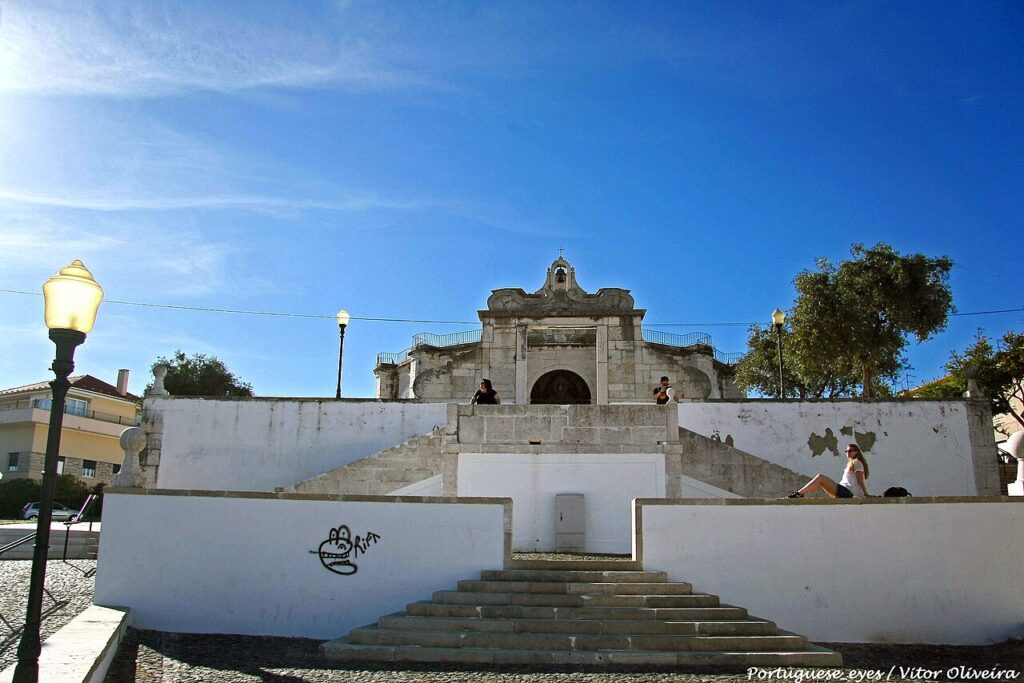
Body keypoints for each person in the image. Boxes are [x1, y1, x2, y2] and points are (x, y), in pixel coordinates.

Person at [787, 443, 870, 498]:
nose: (848, 453)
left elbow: (860, 480)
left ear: (856, 452)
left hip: (848, 492)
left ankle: (799, 493)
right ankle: (801, 493)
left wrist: (865, 494)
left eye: (850, 451)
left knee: (820, 478)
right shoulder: (852, 463)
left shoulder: (857, 462)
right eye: (846, 451)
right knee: (821, 481)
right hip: (844, 490)